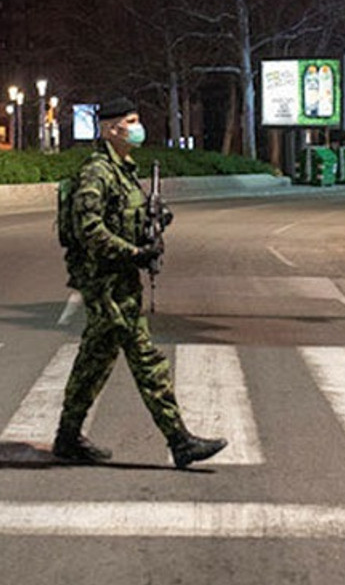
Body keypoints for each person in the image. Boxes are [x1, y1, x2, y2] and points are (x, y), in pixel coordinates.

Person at [54, 97, 227, 469]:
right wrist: (133, 253)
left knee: (94, 360)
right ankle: (179, 440)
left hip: (119, 280)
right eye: (131, 121)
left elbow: (125, 216)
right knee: (146, 358)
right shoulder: (97, 172)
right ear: (112, 128)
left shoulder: (124, 170)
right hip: (106, 282)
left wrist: (153, 221)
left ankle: (67, 438)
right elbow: (90, 230)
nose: (137, 127)